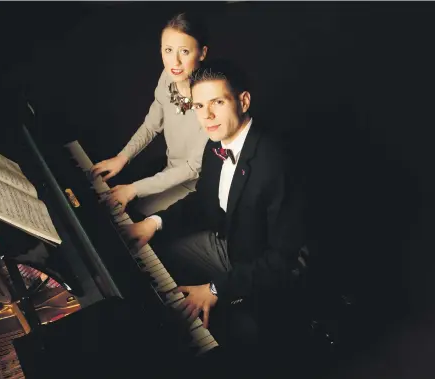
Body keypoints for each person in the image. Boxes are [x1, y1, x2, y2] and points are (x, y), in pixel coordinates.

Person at [121, 60, 307, 365]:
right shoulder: (215, 144)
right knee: (156, 254)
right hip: (231, 243)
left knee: (245, 339)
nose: (205, 116)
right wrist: (152, 223)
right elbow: (201, 200)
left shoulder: (276, 163)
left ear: (243, 101)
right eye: (198, 105)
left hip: (275, 267)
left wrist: (217, 288)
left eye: (217, 103)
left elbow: (283, 259)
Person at [90, 12, 210, 217]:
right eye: (168, 50)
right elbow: (152, 125)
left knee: (132, 216)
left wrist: (134, 189)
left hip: (198, 189)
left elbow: (192, 168)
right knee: (114, 207)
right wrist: (122, 157)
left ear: (202, 53)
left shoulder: (211, 99)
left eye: (184, 51)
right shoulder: (167, 78)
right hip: (170, 173)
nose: (176, 62)